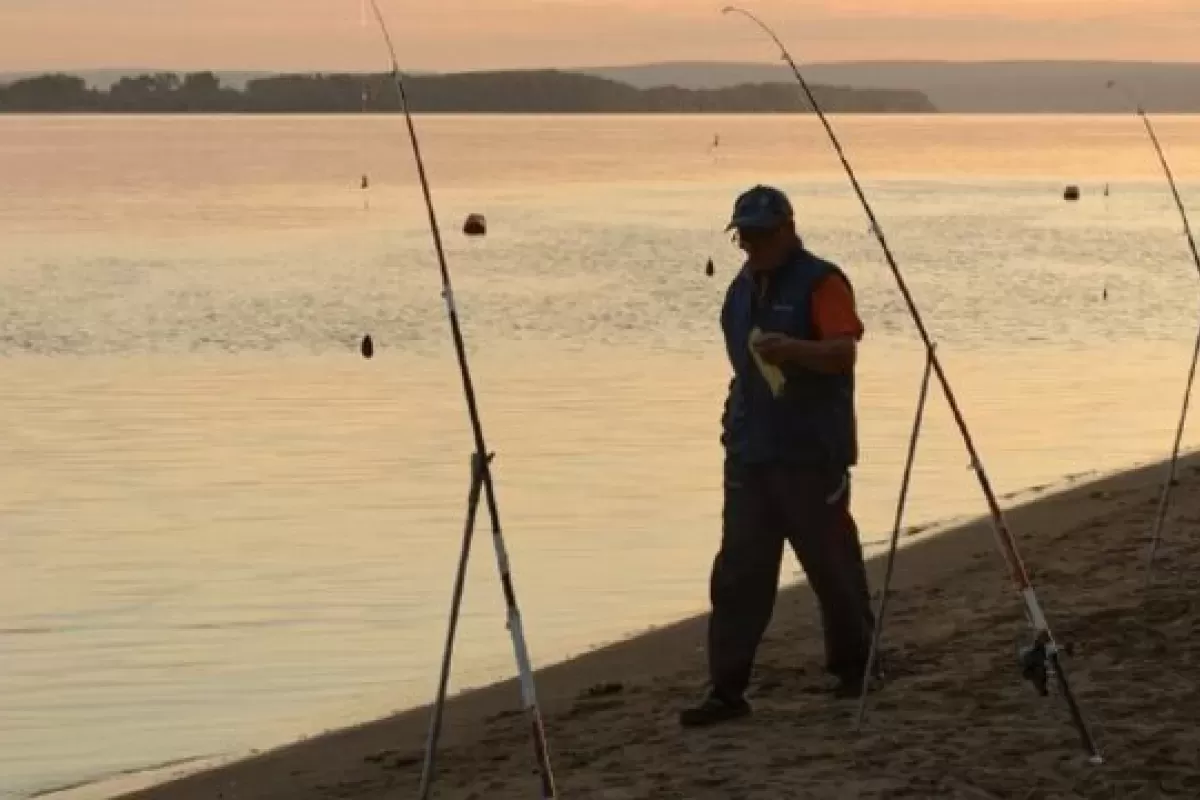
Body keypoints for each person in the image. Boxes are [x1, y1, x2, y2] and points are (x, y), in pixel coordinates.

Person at [680, 185, 877, 728]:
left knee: (832, 566)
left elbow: (843, 352)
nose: (751, 245)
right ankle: (726, 689)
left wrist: (792, 351)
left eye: (761, 235)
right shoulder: (740, 289)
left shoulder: (822, 281)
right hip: (750, 452)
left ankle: (856, 666)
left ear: (788, 230)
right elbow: (741, 366)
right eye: (744, 235)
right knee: (740, 571)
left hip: (811, 453)